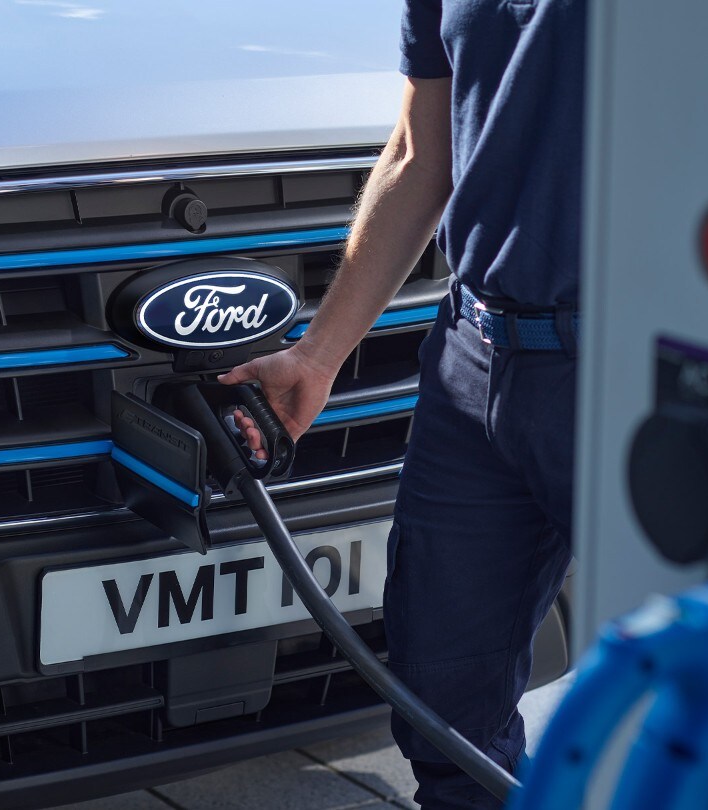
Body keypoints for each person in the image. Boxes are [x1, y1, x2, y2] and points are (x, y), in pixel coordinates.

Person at [220, 1, 586, 806]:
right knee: (441, 704)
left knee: (684, 690)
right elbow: (424, 152)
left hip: (626, 363)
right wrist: (318, 355)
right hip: (473, 356)